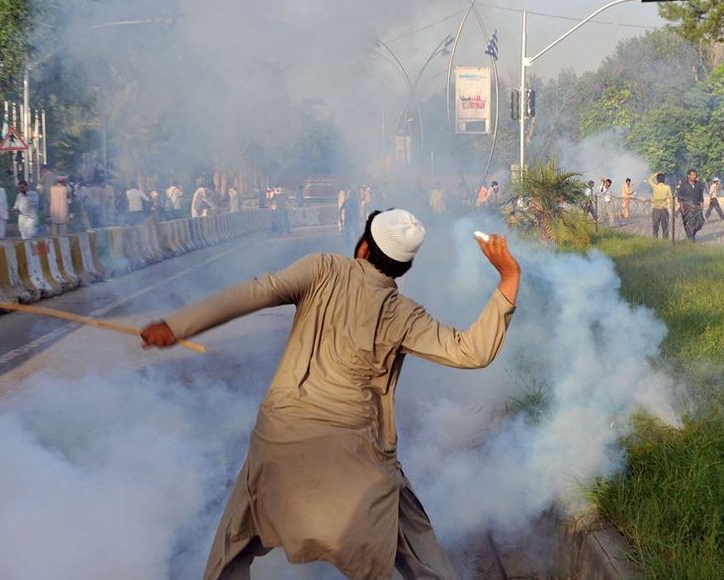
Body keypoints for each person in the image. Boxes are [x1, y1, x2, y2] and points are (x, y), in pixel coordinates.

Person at [140, 209, 521, 580]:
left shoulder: (321, 268)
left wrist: (175, 326)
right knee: (417, 545)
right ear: (403, 268)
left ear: (363, 249)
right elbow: (471, 351)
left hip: (278, 440)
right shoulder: (404, 314)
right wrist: (508, 276)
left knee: (233, 544)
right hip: (358, 458)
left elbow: (255, 292)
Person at [676, 169, 705, 241]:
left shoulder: (699, 184)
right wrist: (681, 207)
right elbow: (679, 197)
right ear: (688, 176)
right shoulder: (683, 185)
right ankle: (691, 239)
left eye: (695, 175)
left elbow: (701, 196)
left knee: (700, 222)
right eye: (693, 175)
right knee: (688, 223)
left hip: (697, 206)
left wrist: (702, 204)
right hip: (687, 207)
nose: (694, 176)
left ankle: (691, 233)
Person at [647, 172, 671, 239]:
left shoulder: (655, 187)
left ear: (657, 180)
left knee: (655, 228)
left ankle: (655, 240)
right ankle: (665, 242)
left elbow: (649, 180)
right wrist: (672, 208)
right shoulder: (667, 187)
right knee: (665, 228)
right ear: (664, 180)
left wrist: (656, 173)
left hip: (656, 210)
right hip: (664, 210)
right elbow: (671, 198)